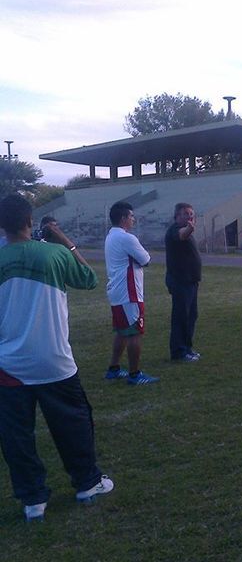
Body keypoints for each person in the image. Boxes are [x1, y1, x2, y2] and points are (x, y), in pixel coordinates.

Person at [0, 194, 114, 522]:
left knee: (16, 435)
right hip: (53, 360)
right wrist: (63, 239)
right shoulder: (55, 254)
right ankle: (87, 484)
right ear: (30, 221)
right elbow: (89, 279)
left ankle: (32, 500)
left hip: (9, 365)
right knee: (73, 425)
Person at [104, 201, 159, 385]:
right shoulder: (127, 238)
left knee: (122, 332)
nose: (133, 220)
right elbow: (146, 259)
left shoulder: (110, 236)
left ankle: (114, 368)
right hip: (130, 293)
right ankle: (135, 374)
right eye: (131, 216)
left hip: (117, 292)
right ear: (123, 218)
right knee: (135, 333)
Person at [165, 202, 202, 363]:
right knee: (181, 317)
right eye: (186, 213)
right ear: (177, 216)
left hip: (190, 281)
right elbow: (181, 235)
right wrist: (190, 229)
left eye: (191, 213)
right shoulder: (175, 230)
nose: (190, 216)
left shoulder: (186, 231)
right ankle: (179, 351)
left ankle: (187, 348)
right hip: (181, 281)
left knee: (191, 316)